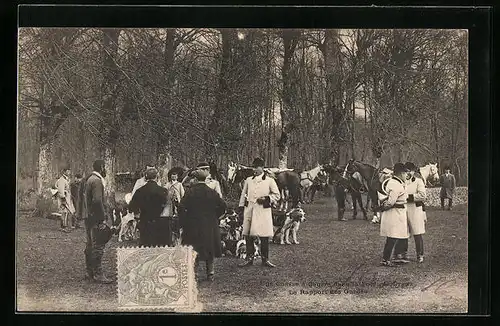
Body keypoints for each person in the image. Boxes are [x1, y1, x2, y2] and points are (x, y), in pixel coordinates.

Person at [178, 168, 227, 281]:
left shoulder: (190, 192)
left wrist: (184, 220)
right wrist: (215, 216)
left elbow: (181, 207)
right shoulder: (211, 192)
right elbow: (223, 206)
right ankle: (210, 273)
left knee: (194, 248)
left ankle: (194, 273)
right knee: (209, 248)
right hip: (209, 224)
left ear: (195, 179)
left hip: (193, 224)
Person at [237, 157, 281, 268]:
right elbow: (243, 194)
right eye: (253, 167)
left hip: (263, 211)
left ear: (262, 168)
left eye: (257, 167)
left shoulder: (269, 180)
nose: (254, 170)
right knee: (248, 235)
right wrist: (241, 207)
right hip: (250, 210)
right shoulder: (248, 180)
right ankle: (249, 258)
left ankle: (265, 259)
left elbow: (277, 195)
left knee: (264, 235)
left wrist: (266, 199)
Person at [80, 159, 113, 283]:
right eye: (105, 168)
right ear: (102, 168)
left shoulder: (89, 179)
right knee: (98, 245)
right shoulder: (97, 181)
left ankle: (90, 272)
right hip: (95, 217)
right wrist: (102, 218)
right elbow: (97, 201)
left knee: (90, 244)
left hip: (89, 216)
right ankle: (98, 273)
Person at [394, 162, 427, 264]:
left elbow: (422, 196)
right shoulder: (401, 182)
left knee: (417, 232)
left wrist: (408, 197)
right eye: (406, 171)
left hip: (415, 210)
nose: (408, 173)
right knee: (403, 232)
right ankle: (401, 253)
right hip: (403, 209)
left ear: (414, 171)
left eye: (410, 171)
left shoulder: (418, 181)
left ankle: (420, 254)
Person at [129, 167, 171, 247]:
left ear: (146, 177)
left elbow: (132, 207)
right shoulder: (163, 191)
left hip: (145, 222)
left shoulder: (140, 191)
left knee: (146, 247)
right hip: (161, 223)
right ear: (157, 177)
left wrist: (137, 216)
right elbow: (168, 208)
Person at [379, 163, 410, 267]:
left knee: (398, 235)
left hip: (398, 213)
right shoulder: (395, 184)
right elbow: (391, 202)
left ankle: (396, 257)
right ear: (401, 173)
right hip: (394, 214)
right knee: (392, 237)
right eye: (405, 173)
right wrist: (382, 207)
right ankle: (385, 259)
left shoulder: (397, 182)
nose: (407, 175)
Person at [55, 165, 76, 232]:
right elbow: (61, 190)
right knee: (64, 212)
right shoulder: (62, 180)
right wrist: (63, 199)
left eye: (69, 171)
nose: (69, 172)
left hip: (67, 197)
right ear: (64, 171)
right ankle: (63, 227)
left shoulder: (66, 179)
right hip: (63, 198)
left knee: (67, 212)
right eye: (67, 171)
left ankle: (65, 225)